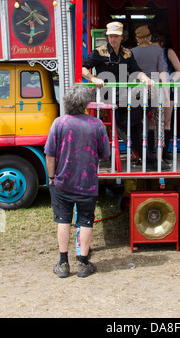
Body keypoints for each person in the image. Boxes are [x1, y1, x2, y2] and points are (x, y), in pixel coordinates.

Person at [45, 84, 110, 278]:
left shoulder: (59, 123)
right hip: (87, 183)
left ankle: (63, 263)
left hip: (63, 182)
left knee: (63, 220)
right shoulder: (96, 124)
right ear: (85, 103)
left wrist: (51, 178)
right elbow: (105, 153)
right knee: (86, 221)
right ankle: (83, 263)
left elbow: (50, 156)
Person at [82, 21, 157, 168]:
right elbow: (83, 68)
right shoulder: (99, 52)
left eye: (116, 36)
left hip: (124, 95)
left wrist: (146, 79)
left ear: (122, 37)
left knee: (151, 100)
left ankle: (124, 123)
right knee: (136, 125)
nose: (113, 39)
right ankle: (149, 159)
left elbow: (137, 70)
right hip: (107, 95)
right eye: (110, 36)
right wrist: (93, 78)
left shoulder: (127, 53)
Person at [131, 25, 170, 170]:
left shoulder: (132, 52)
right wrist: (166, 93)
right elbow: (162, 73)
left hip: (138, 91)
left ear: (137, 38)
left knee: (141, 125)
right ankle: (159, 158)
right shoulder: (157, 50)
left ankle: (143, 156)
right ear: (149, 37)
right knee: (159, 124)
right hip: (155, 88)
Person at [150, 33, 180, 162]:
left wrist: (170, 82)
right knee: (152, 122)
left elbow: (179, 70)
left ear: (161, 43)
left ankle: (165, 152)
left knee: (166, 121)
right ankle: (153, 151)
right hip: (152, 88)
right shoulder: (149, 53)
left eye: (155, 43)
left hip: (167, 90)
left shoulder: (168, 52)